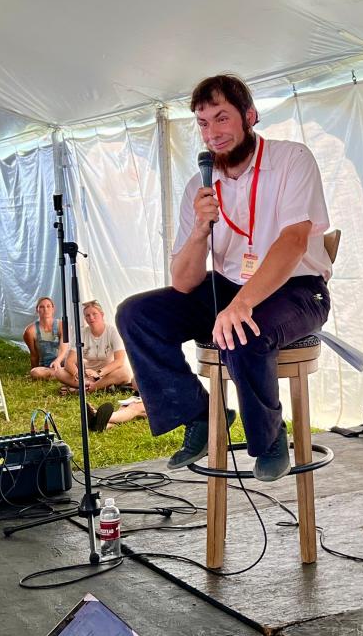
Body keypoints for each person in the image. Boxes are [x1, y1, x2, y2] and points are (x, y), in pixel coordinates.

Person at [117, 74, 332, 478]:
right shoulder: (198, 187)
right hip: (228, 287)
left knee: (241, 329)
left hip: (298, 288)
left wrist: (242, 303)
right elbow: (183, 281)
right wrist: (199, 231)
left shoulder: (291, 159)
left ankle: (269, 441)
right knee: (136, 314)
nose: (212, 133)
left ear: (249, 116)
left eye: (221, 118)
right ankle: (200, 415)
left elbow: (294, 241)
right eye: (202, 123)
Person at [55, 300, 134, 393]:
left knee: (125, 372)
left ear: (102, 314)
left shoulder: (113, 332)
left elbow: (119, 360)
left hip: (107, 373)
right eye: (87, 315)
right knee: (59, 372)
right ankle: (96, 386)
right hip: (87, 376)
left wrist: (98, 373)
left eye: (94, 314)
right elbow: (69, 362)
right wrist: (77, 374)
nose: (91, 318)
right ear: (85, 318)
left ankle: (85, 389)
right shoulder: (81, 333)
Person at [23, 297, 68, 379]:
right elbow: (34, 355)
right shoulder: (30, 331)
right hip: (47, 366)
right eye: (42, 307)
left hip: (64, 361)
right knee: (35, 372)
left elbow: (64, 348)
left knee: (82, 362)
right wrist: (33, 371)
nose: (46, 309)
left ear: (53, 309)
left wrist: (57, 361)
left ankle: (61, 373)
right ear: (37, 310)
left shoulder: (62, 325)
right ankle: (64, 374)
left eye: (48, 306)